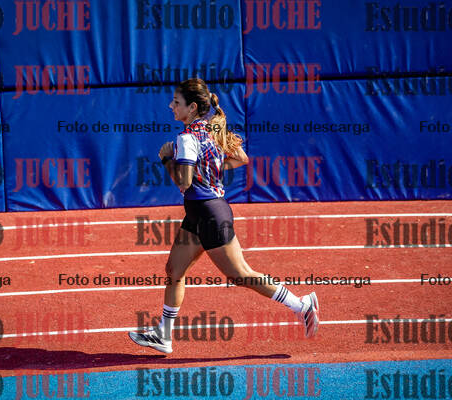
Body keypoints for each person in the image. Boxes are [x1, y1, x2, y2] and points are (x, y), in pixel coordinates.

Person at [128, 78, 319, 353]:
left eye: (177, 102)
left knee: (241, 274)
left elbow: (184, 182)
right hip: (198, 213)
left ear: (192, 108)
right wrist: (211, 169)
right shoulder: (212, 129)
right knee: (174, 270)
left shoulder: (186, 139)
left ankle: (301, 306)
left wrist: (167, 159)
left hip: (210, 213)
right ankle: (163, 334)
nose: (171, 106)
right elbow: (241, 158)